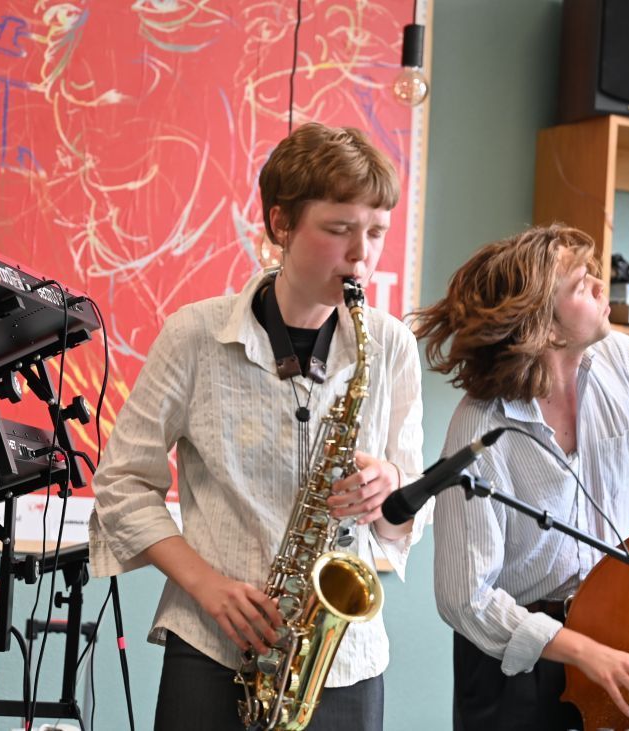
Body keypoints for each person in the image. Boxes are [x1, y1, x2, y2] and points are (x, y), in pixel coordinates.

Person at [88, 122, 425, 730]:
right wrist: (207, 586)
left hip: (341, 662)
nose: (362, 254)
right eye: (339, 229)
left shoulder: (392, 345)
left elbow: (407, 519)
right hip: (212, 646)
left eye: (376, 232)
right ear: (281, 223)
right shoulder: (194, 334)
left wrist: (390, 488)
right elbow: (121, 484)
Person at [411, 224, 629, 731]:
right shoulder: (481, 426)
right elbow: (464, 598)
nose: (602, 287)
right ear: (545, 327)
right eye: (581, 285)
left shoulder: (625, 361)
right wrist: (584, 652)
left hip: (611, 629)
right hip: (515, 663)